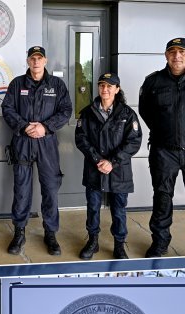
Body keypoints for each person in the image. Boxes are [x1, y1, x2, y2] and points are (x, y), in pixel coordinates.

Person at [1, 45, 72, 256]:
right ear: (28, 61)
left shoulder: (56, 85)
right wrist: (24, 126)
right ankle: (19, 231)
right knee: (21, 190)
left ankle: (50, 233)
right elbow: (7, 109)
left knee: (50, 189)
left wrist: (45, 127)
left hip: (46, 143)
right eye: (32, 58)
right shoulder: (17, 84)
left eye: (39, 58)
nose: (36, 62)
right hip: (22, 141)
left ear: (45, 61)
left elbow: (66, 110)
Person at [74, 73, 142, 260]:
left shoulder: (127, 114)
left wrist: (112, 162)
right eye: (102, 85)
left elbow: (133, 142)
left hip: (118, 170)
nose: (105, 89)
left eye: (110, 86)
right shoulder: (87, 113)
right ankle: (93, 241)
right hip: (94, 169)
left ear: (117, 90)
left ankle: (119, 245)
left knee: (119, 210)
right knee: (93, 207)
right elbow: (81, 139)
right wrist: (98, 160)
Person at [139, 37, 185, 258]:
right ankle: (159, 243)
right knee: (162, 197)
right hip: (163, 150)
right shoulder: (153, 82)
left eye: (182, 52)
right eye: (173, 52)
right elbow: (145, 112)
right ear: (166, 55)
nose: (177, 56)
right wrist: (164, 132)